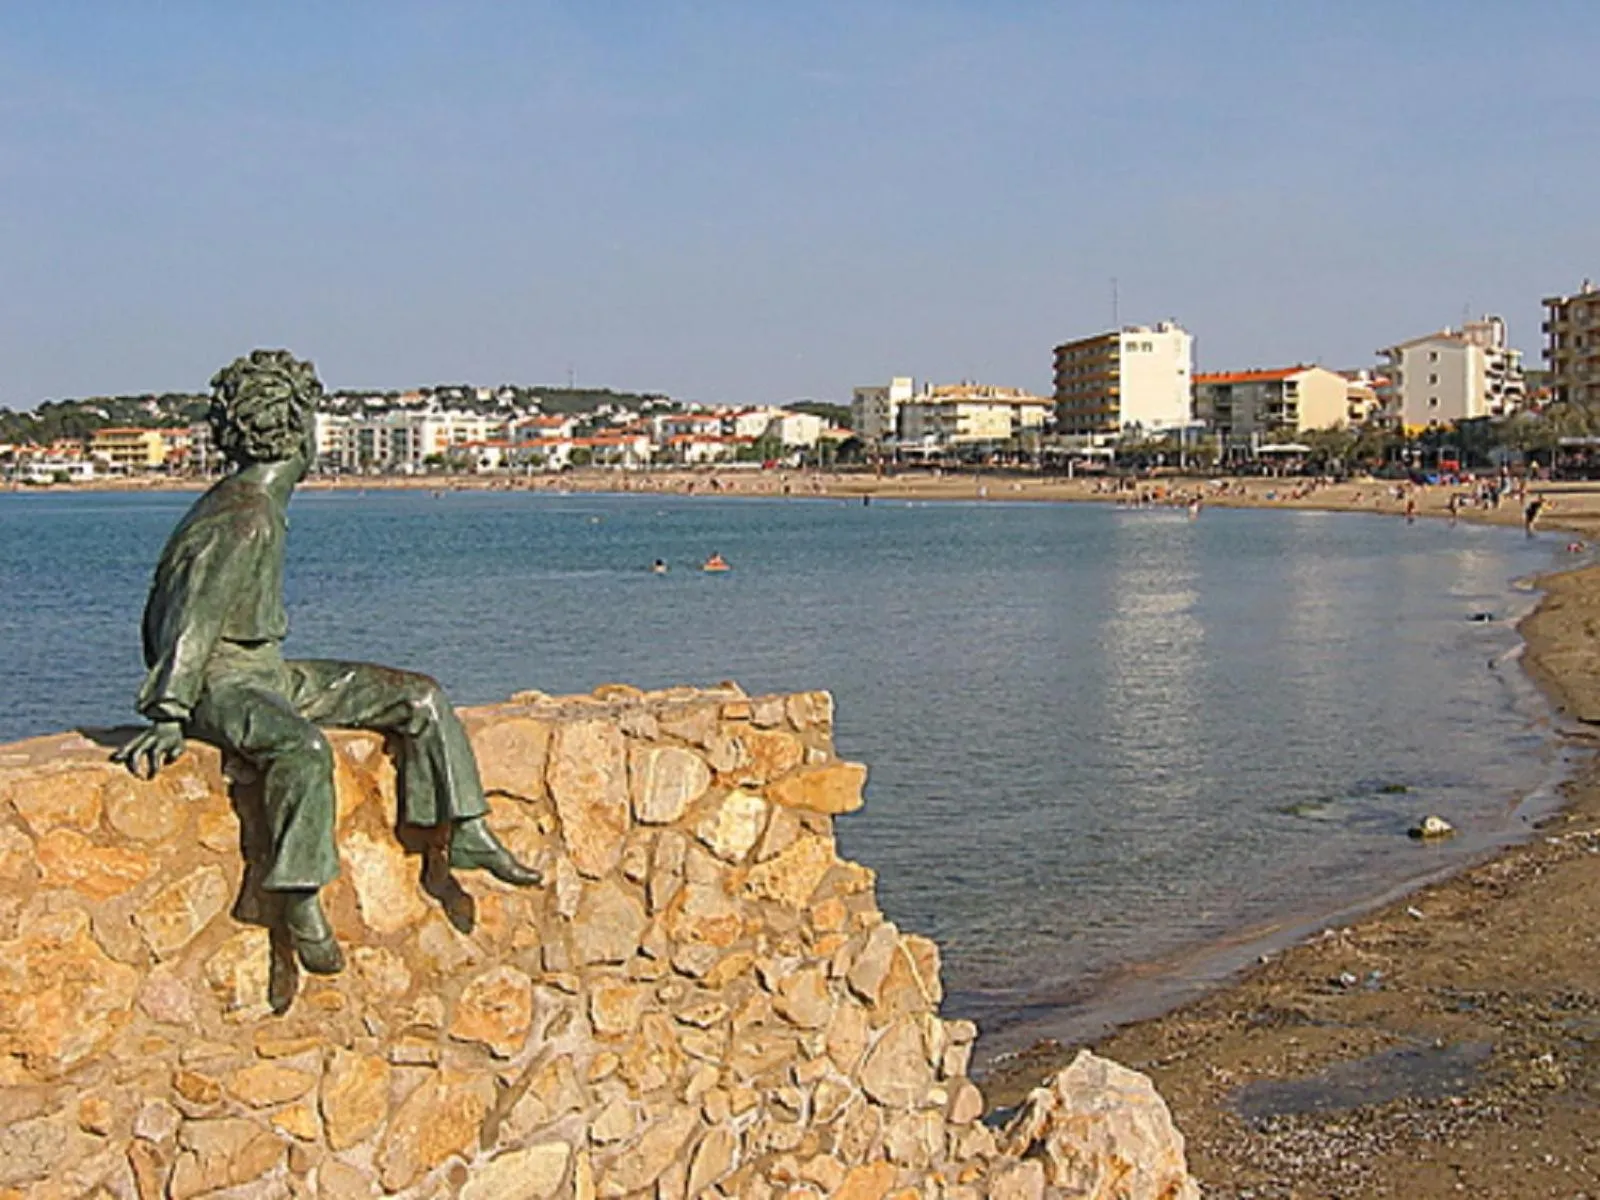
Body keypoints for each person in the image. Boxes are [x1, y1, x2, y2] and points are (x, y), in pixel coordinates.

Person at [113, 350, 540, 976]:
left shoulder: (254, 503)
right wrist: (171, 711)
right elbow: (189, 620)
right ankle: (299, 895)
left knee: (419, 696)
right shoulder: (245, 517)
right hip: (220, 684)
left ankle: (466, 826)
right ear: (295, 430)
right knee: (304, 750)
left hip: (265, 670)